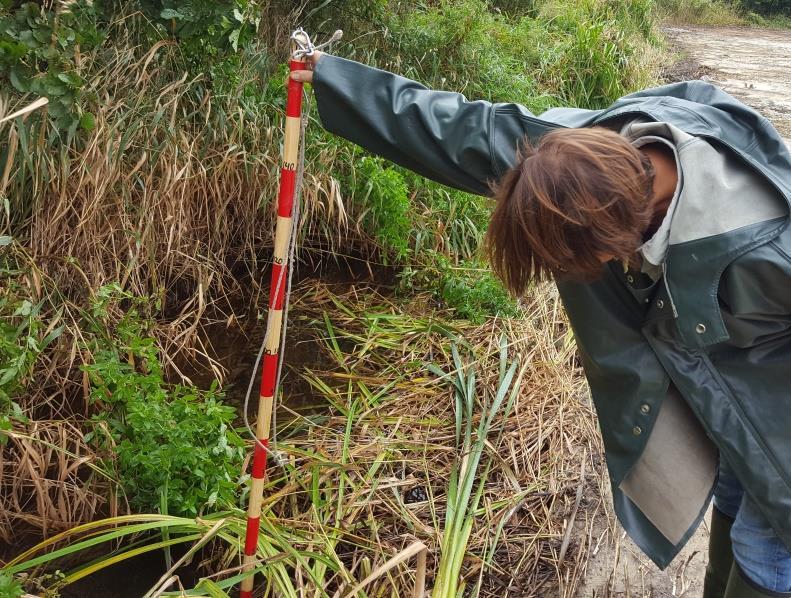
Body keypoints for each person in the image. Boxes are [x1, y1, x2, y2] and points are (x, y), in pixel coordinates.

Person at [290, 51, 791, 597]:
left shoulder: (766, 252)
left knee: (767, 553)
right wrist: (335, 78)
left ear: (615, 238)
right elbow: (465, 131)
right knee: (736, 496)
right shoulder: (583, 159)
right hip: (732, 402)